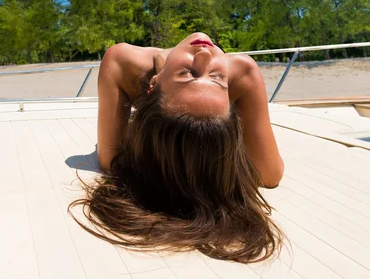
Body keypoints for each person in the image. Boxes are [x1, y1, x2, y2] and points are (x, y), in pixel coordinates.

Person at [70, 32, 284, 263]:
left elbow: (109, 159)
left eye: (187, 74)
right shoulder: (242, 71)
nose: (204, 54)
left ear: (153, 84)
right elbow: (270, 174)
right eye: (217, 78)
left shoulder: (124, 61)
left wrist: (163, 62)